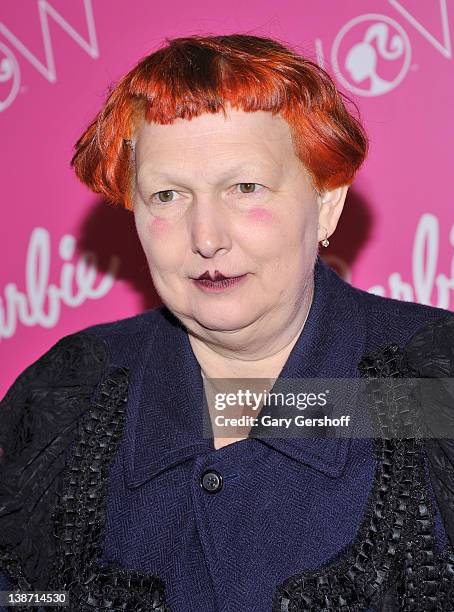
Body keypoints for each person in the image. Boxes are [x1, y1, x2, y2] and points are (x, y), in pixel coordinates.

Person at [0, 33, 453, 612]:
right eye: (167, 195)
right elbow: (28, 596)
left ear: (328, 201)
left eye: (245, 188)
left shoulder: (435, 380)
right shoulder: (66, 394)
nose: (206, 238)